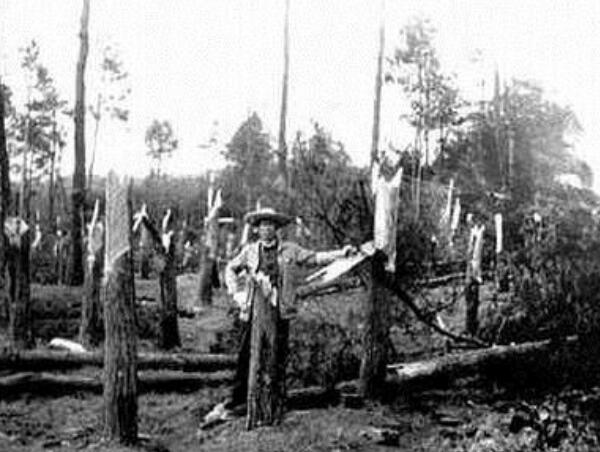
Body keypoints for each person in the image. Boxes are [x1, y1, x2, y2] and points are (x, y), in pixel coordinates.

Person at [203, 207, 355, 424]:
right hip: (254, 313)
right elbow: (231, 269)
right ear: (257, 229)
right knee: (246, 356)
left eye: (271, 225)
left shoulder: (290, 250)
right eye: (263, 225)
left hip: (280, 312)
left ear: (277, 228)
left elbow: (314, 258)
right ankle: (238, 399)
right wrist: (236, 293)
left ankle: (275, 399)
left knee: (278, 355)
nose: (267, 229)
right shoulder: (250, 251)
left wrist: (341, 253)